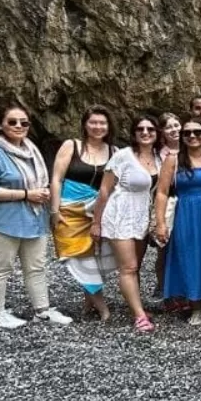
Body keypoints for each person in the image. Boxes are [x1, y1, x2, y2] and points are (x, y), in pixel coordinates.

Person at [0, 104, 72, 328]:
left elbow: (38, 183)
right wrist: (28, 194)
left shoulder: (32, 152)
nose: (19, 126)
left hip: (33, 220)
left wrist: (43, 193)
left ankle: (42, 311)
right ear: (0, 125)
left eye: (24, 122)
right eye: (12, 122)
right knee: (0, 269)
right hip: (2, 223)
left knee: (36, 268)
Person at [91, 114, 161, 333]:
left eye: (150, 129)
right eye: (141, 129)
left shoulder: (160, 158)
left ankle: (136, 306)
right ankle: (139, 316)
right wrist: (96, 222)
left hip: (141, 215)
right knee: (128, 267)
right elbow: (104, 190)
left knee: (136, 266)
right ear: (134, 133)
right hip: (120, 212)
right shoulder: (122, 156)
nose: (146, 133)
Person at [154, 116, 201, 324]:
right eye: (187, 133)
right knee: (189, 255)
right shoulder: (173, 160)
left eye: (197, 132)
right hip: (185, 213)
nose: (192, 136)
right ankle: (195, 305)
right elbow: (161, 192)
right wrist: (160, 223)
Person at [50, 105, 116, 320]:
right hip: (69, 210)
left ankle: (89, 301)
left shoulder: (114, 151)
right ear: (85, 125)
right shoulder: (72, 146)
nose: (98, 127)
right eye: (93, 122)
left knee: (99, 259)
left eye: (102, 123)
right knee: (79, 258)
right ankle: (103, 308)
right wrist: (54, 210)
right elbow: (56, 179)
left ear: (108, 126)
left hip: (98, 212)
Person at [150, 113, 182, 296]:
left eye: (176, 125)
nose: (174, 130)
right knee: (164, 248)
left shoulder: (190, 148)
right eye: (169, 127)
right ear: (162, 131)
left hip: (185, 199)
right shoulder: (157, 154)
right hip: (167, 200)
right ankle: (163, 286)